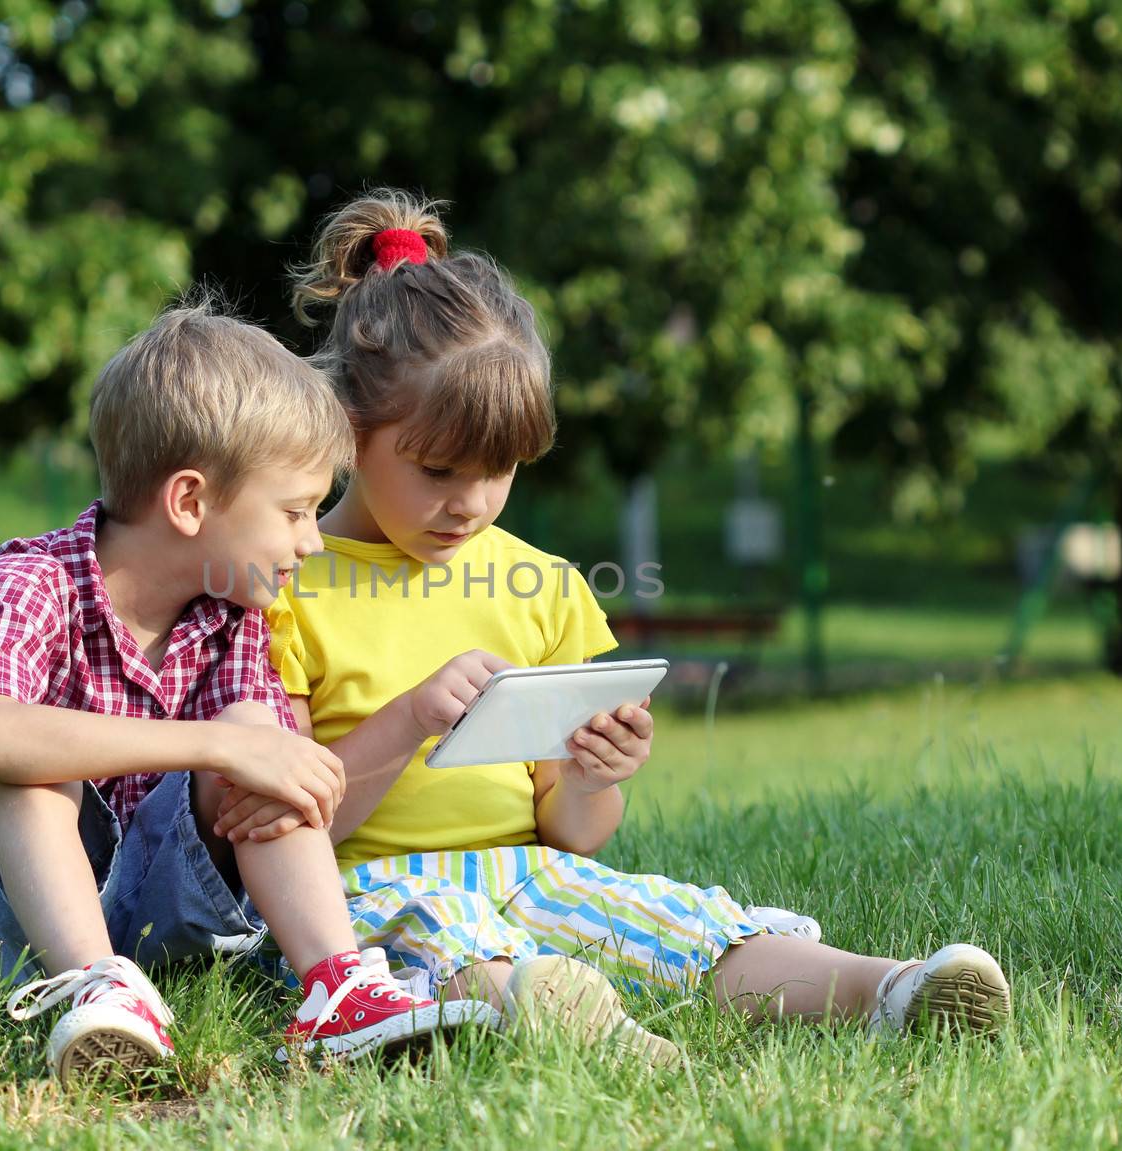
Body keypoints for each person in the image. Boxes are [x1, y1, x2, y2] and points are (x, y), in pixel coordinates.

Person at [231, 191, 1010, 1067]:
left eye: (501, 471)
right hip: (354, 898)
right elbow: (294, 829)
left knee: (669, 922)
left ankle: (890, 987)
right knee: (452, 939)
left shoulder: (544, 588)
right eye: (440, 470)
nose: (472, 503)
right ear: (346, 428)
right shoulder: (283, 587)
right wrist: (410, 716)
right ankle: (578, 1020)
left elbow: (573, 832)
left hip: (526, 872)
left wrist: (595, 776)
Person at [0, 298, 492, 1083]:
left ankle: (338, 989)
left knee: (260, 745)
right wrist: (216, 743)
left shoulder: (231, 618)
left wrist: (254, 749)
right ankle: (93, 984)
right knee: (40, 756)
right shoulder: (30, 582)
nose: (313, 538)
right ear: (190, 502)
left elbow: (257, 767)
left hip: (147, 930)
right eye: (295, 510)